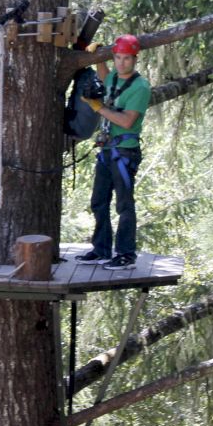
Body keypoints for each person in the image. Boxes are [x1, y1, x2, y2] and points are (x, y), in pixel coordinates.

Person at [79, 34, 151, 269]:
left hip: (124, 152)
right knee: (99, 201)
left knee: (124, 204)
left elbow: (127, 121)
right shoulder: (114, 78)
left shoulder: (140, 87)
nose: (121, 63)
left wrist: (98, 108)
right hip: (107, 150)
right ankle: (101, 249)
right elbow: (105, 77)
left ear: (134, 59)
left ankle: (126, 254)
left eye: (126, 59)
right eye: (117, 58)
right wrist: (99, 57)